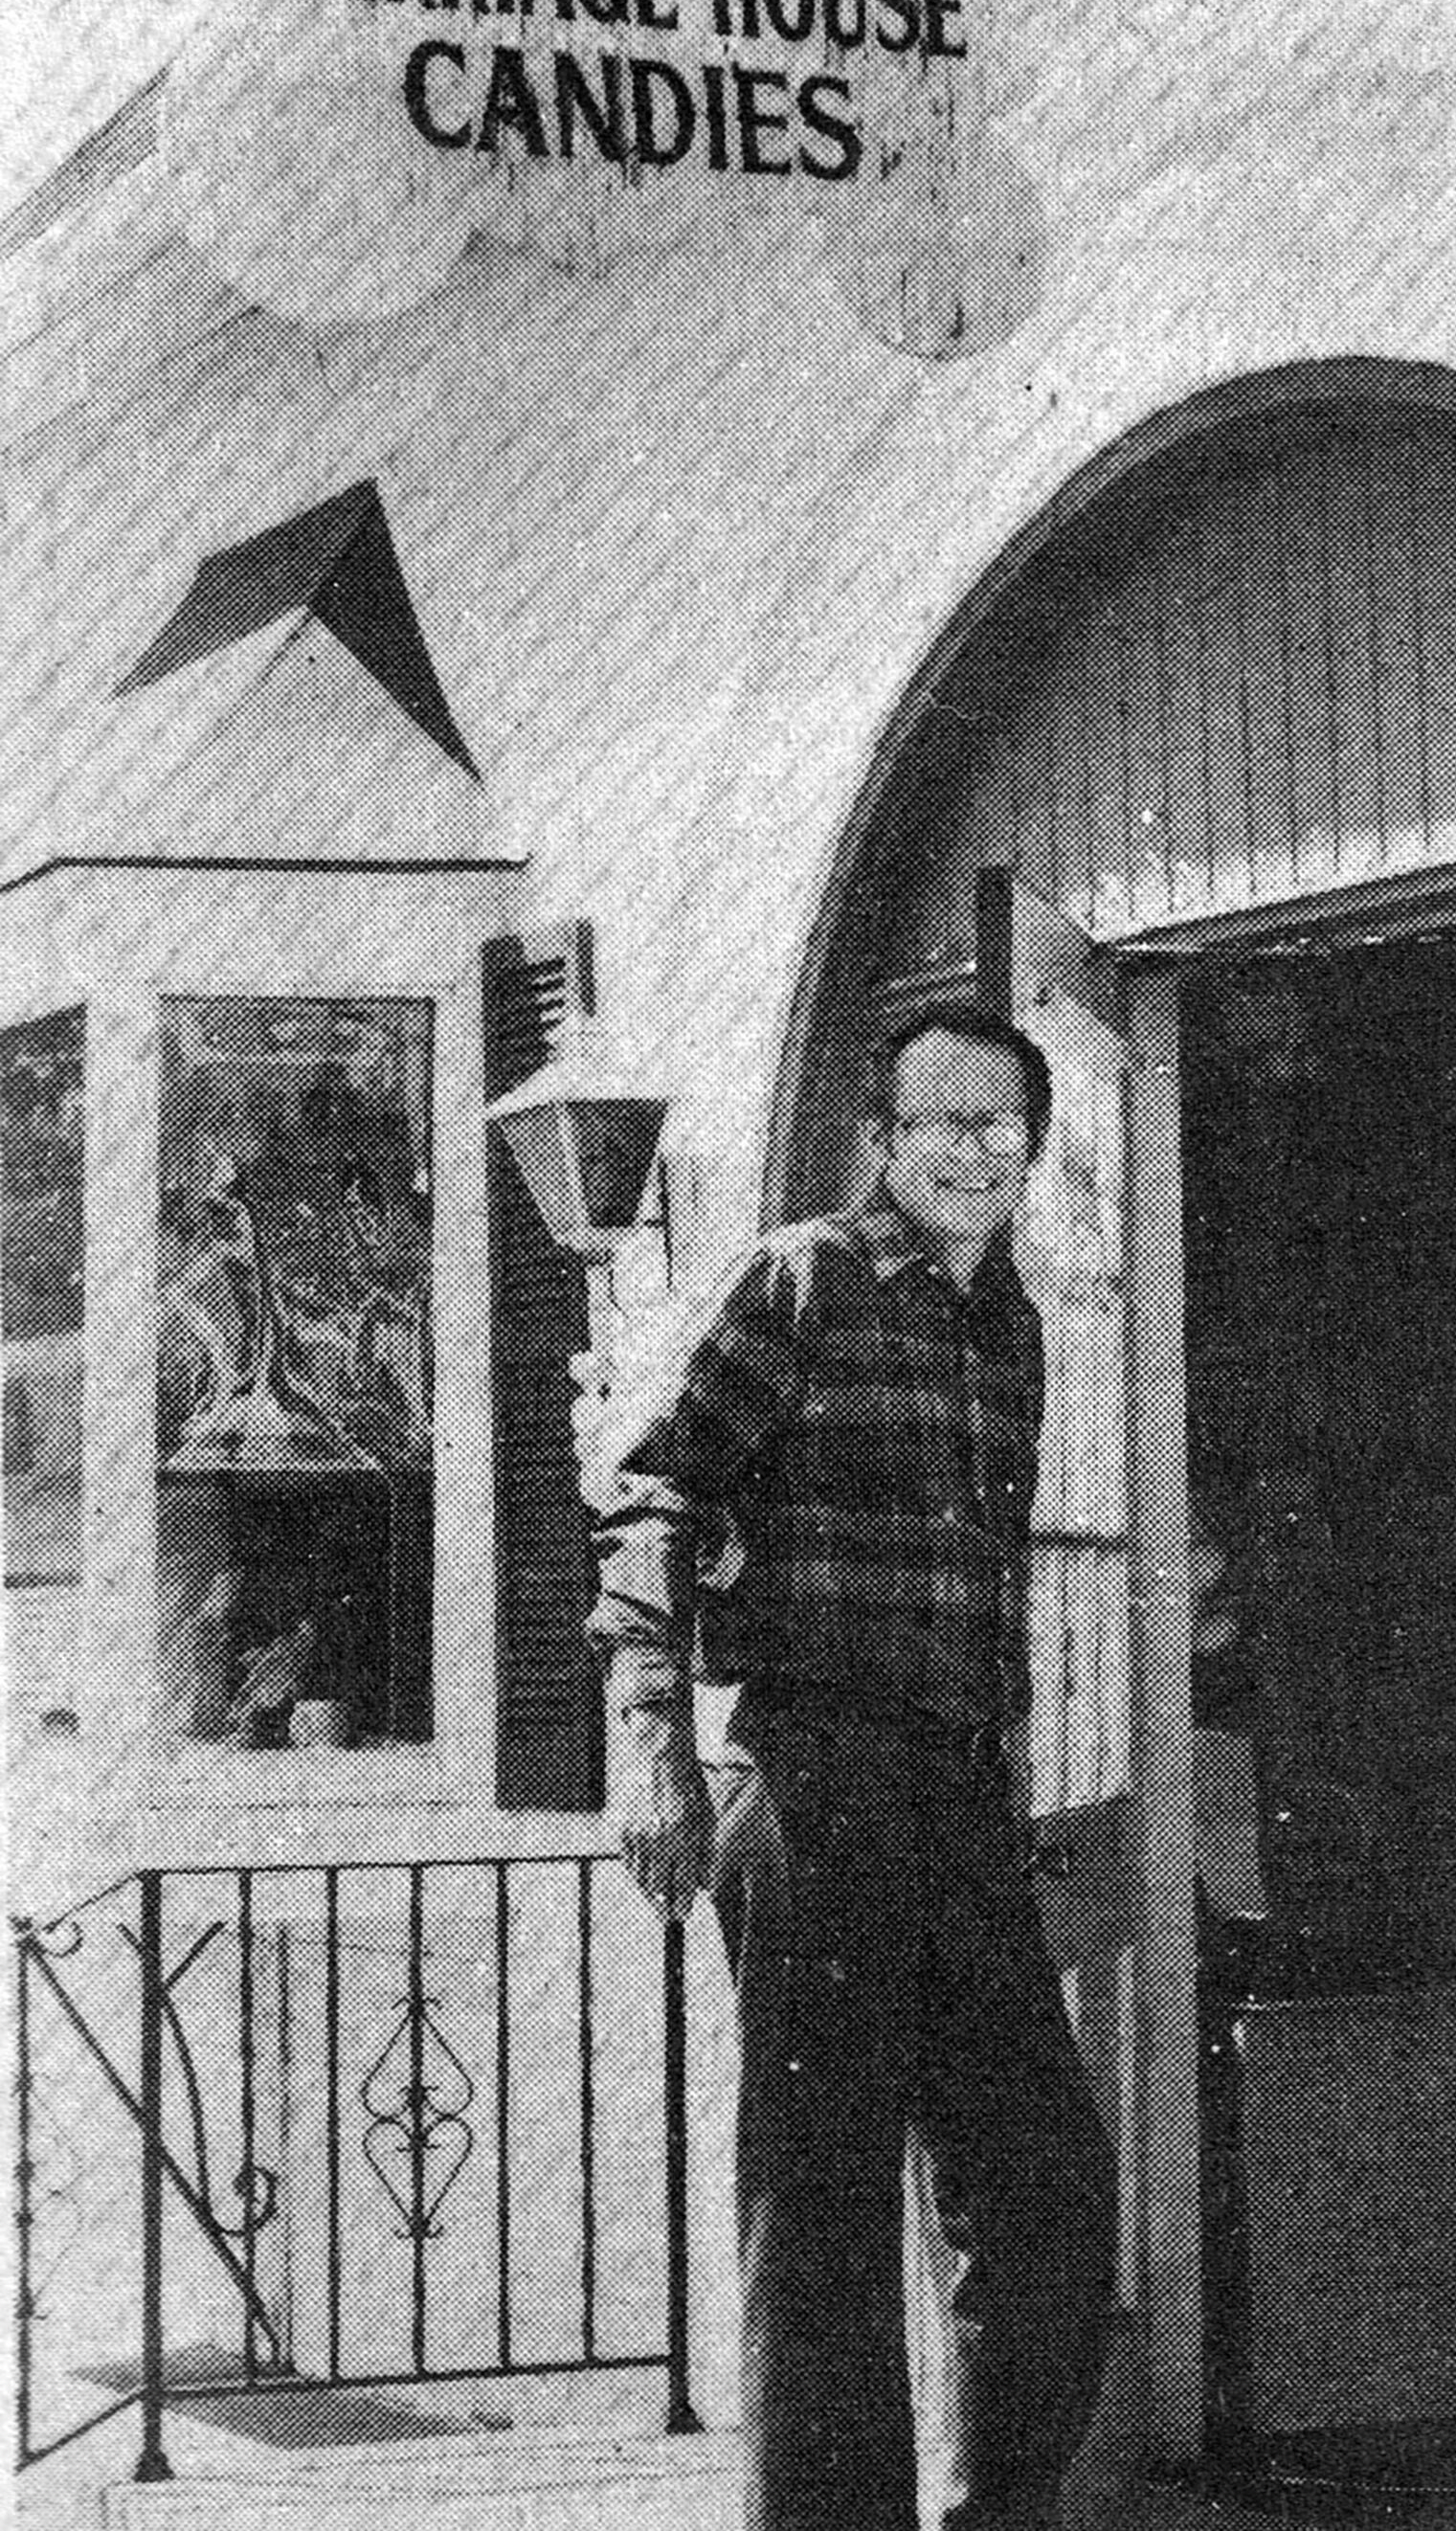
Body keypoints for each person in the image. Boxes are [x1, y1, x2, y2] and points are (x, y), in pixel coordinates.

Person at [586, 1005, 1117, 2531]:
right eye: (938, 1120)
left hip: (960, 1797)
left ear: (1031, 1143)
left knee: (1046, 2194)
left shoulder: (1009, 1327)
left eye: (1000, 1121)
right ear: (882, 1139)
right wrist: (652, 1742)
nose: (973, 1147)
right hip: (812, 1779)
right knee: (821, 2219)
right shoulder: (801, 1277)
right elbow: (652, 1492)